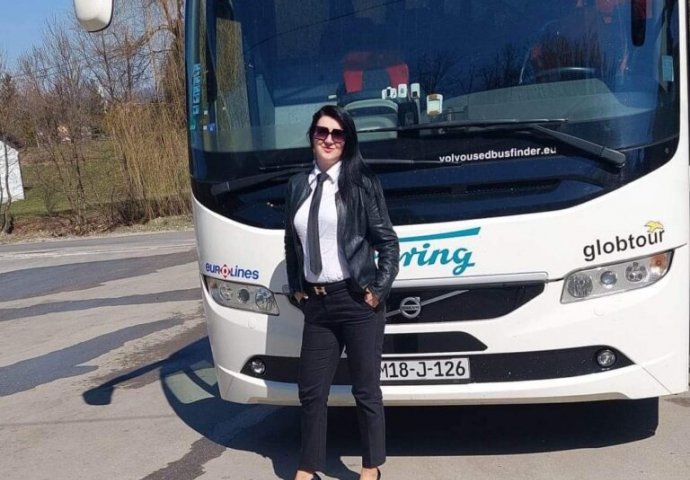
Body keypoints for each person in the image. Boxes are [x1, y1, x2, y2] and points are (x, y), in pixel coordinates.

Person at [284, 105, 399, 480]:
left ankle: (370, 467)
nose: (329, 139)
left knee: (365, 390)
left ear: (347, 140)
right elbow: (292, 244)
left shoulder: (361, 183)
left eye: (337, 133)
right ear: (312, 136)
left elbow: (387, 242)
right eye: (322, 132)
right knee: (311, 391)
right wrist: (297, 288)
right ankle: (308, 466)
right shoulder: (298, 185)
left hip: (356, 301)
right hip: (317, 306)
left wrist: (377, 291)